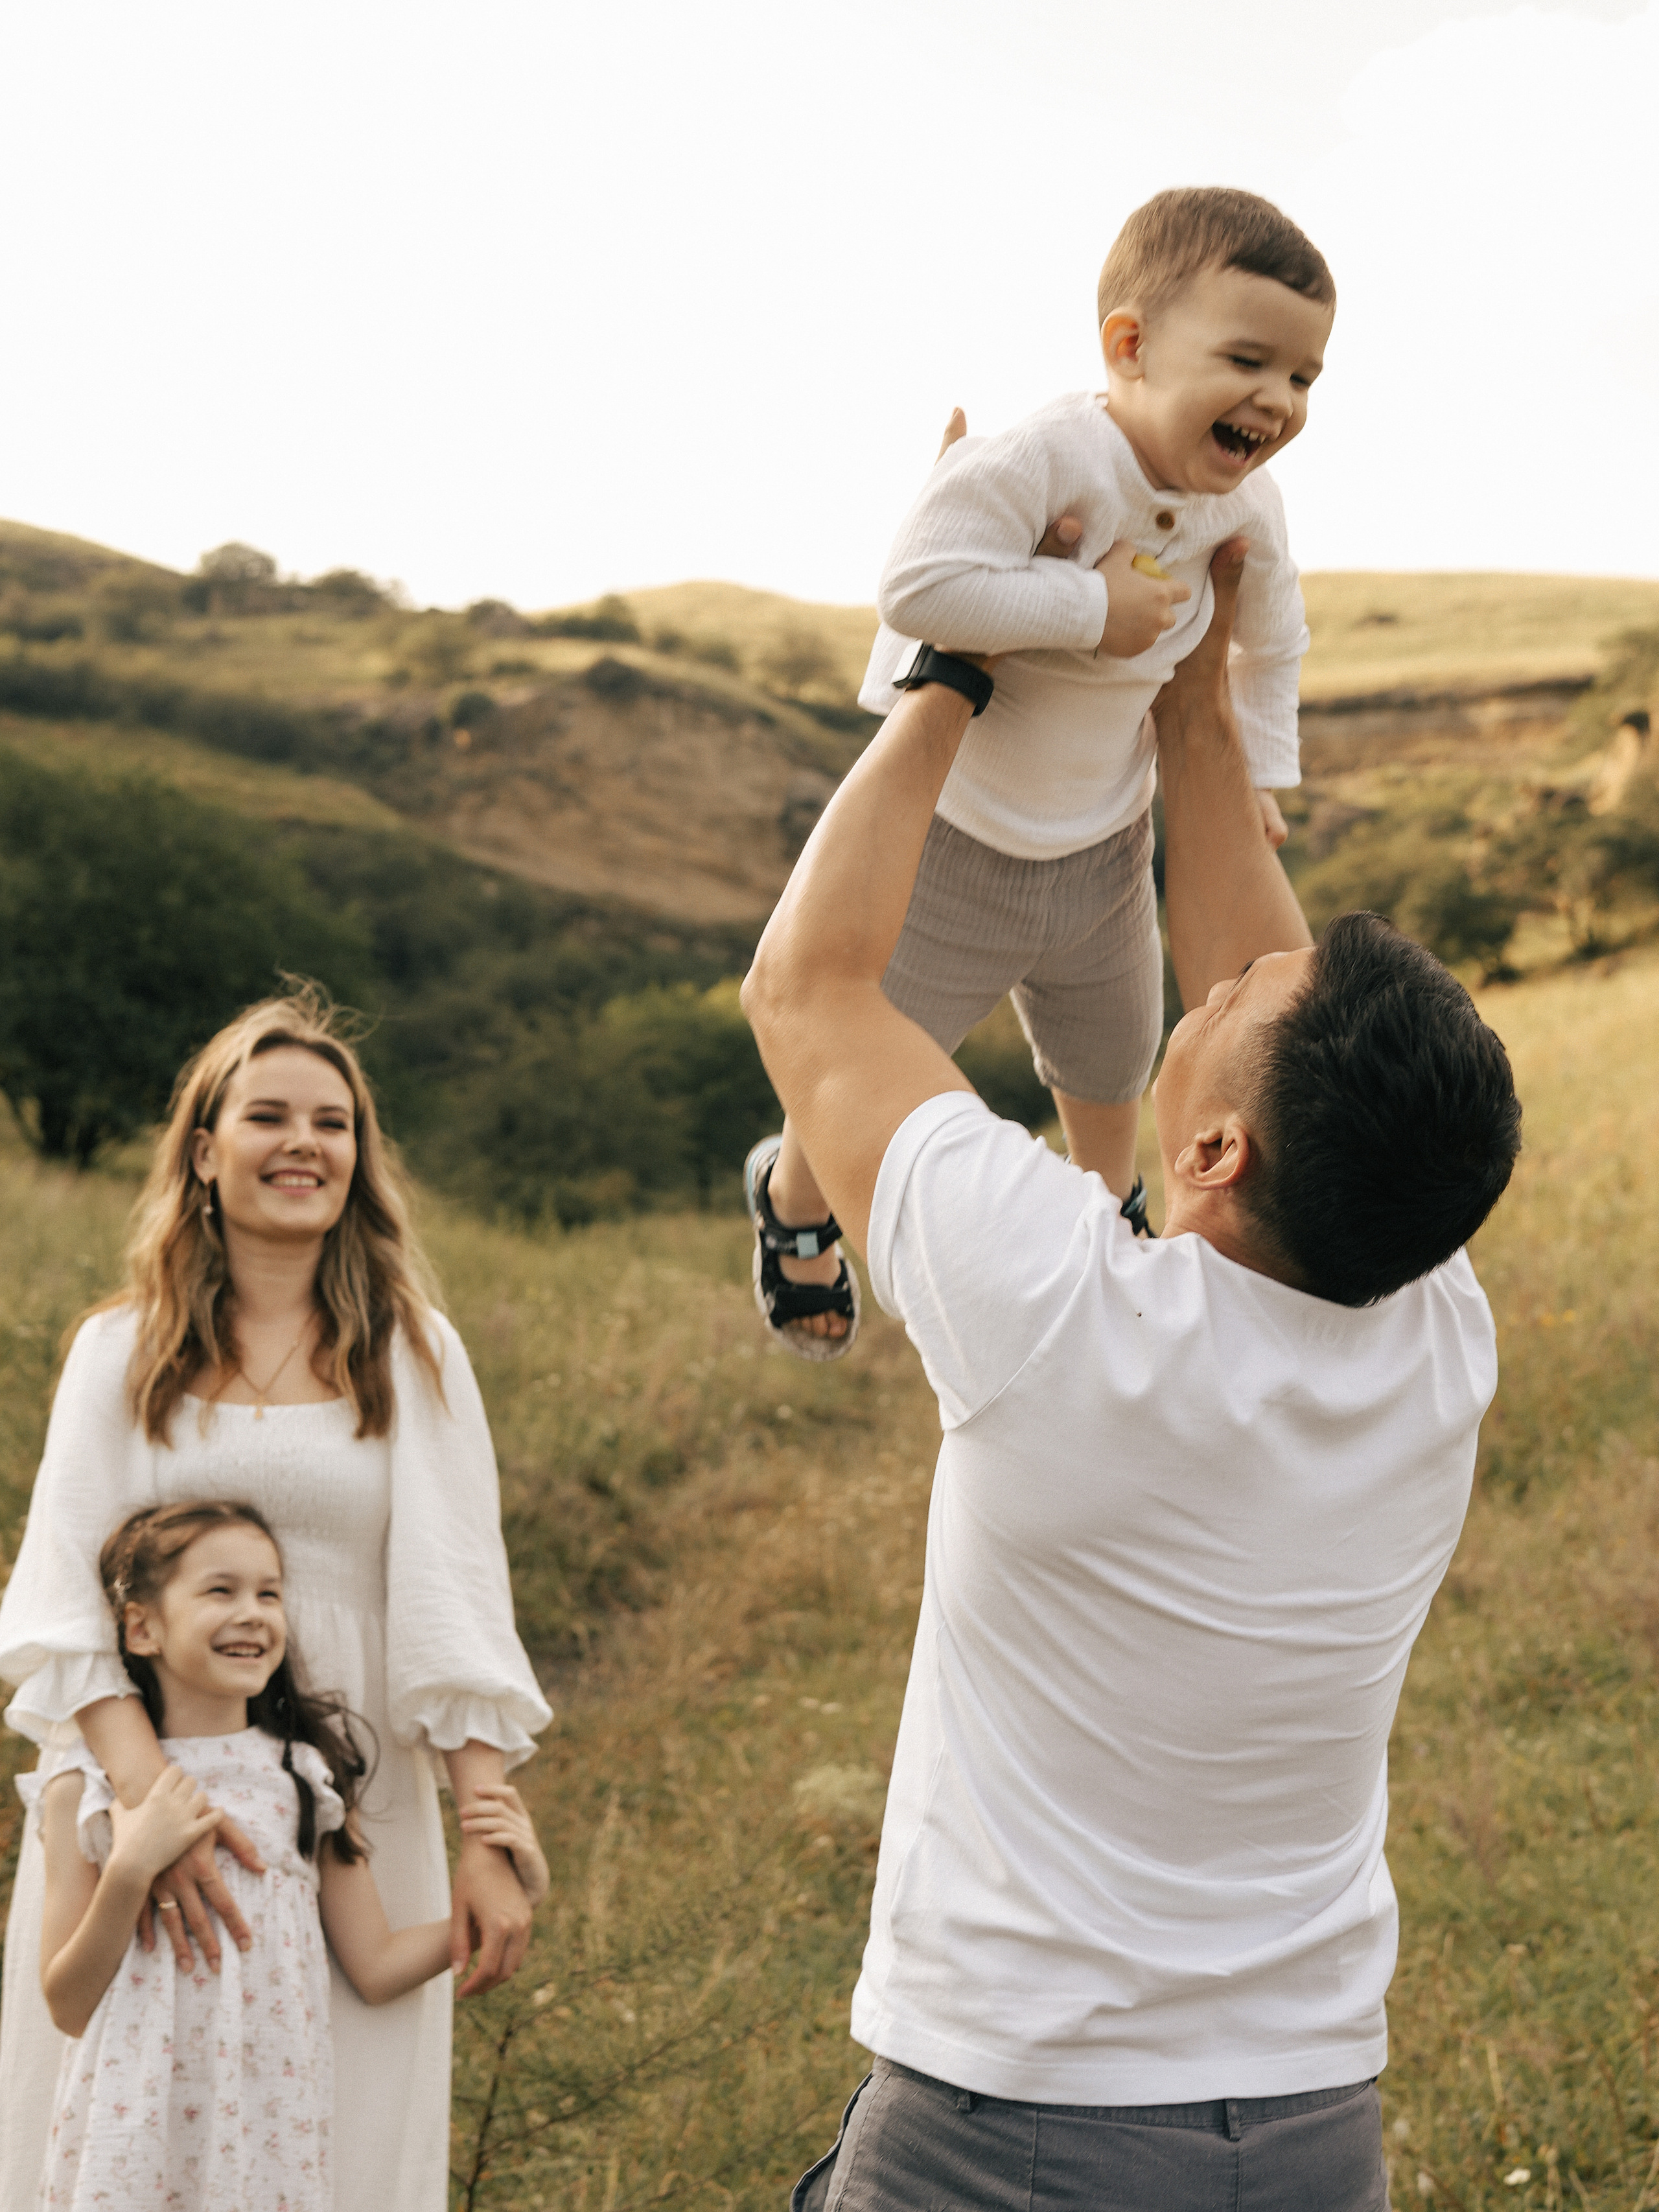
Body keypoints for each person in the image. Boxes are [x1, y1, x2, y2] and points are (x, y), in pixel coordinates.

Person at [742, 542, 1521, 2209]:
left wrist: (951, 664)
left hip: (1014, 2131)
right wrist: (1191, 709)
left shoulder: (1059, 1307)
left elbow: (803, 990)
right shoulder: (1430, 1331)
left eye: (1227, 998)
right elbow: (1281, 1007)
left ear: (1222, 1144)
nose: (1218, 969)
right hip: (1311, 2120)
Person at [748, 187, 1334, 1360]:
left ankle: (1109, 1223)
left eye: (1306, 378)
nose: (1278, 400)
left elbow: (1274, 642)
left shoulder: (1250, 504)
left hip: (1106, 845)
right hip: (955, 844)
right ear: (1129, 346)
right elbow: (918, 585)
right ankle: (794, 1201)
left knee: (1114, 1058)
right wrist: (1090, 604)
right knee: (857, 1047)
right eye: (1248, 359)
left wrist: (1261, 773)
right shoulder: (1051, 457)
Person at [0, 988, 553, 2212]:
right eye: (268, 1115)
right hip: (137, 1794)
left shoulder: (412, 1351)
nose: (305, 1141)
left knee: (337, 2137)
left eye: (334, 1120)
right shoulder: (118, 1350)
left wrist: (490, 1834)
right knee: (105, 2126)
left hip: (351, 1798)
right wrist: (162, 1811)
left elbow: (454, 1601)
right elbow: (61, 1608)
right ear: (205, 1150)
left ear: (359, 1156)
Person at [29, 1499, 549, 2212]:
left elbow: (377, 1962)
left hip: (267, 2129)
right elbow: (65, 2001)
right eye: (221, 1589)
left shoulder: (305, 1777)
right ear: (141, 1626)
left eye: (269, 1592)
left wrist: (512, 1890)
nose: (253, 1612)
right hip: (132, 2126)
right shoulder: (85, 1786)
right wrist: (130, 1868)